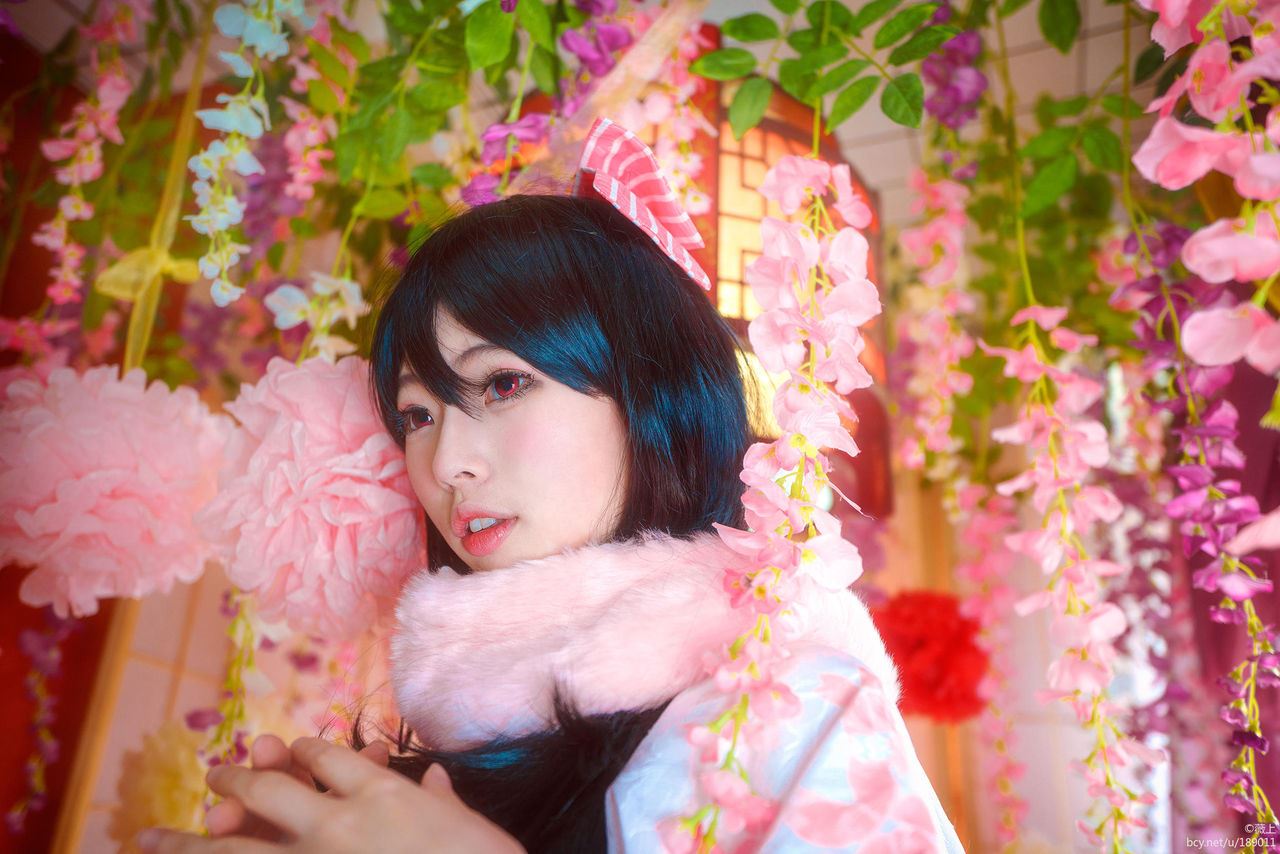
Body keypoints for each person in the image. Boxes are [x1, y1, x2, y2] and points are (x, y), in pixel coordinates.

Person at [139, 122, 965, 854]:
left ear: (650, 389)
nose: (444, 463)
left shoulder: (802, 707)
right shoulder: (427, 774)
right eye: (417, 415)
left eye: (502, 384)